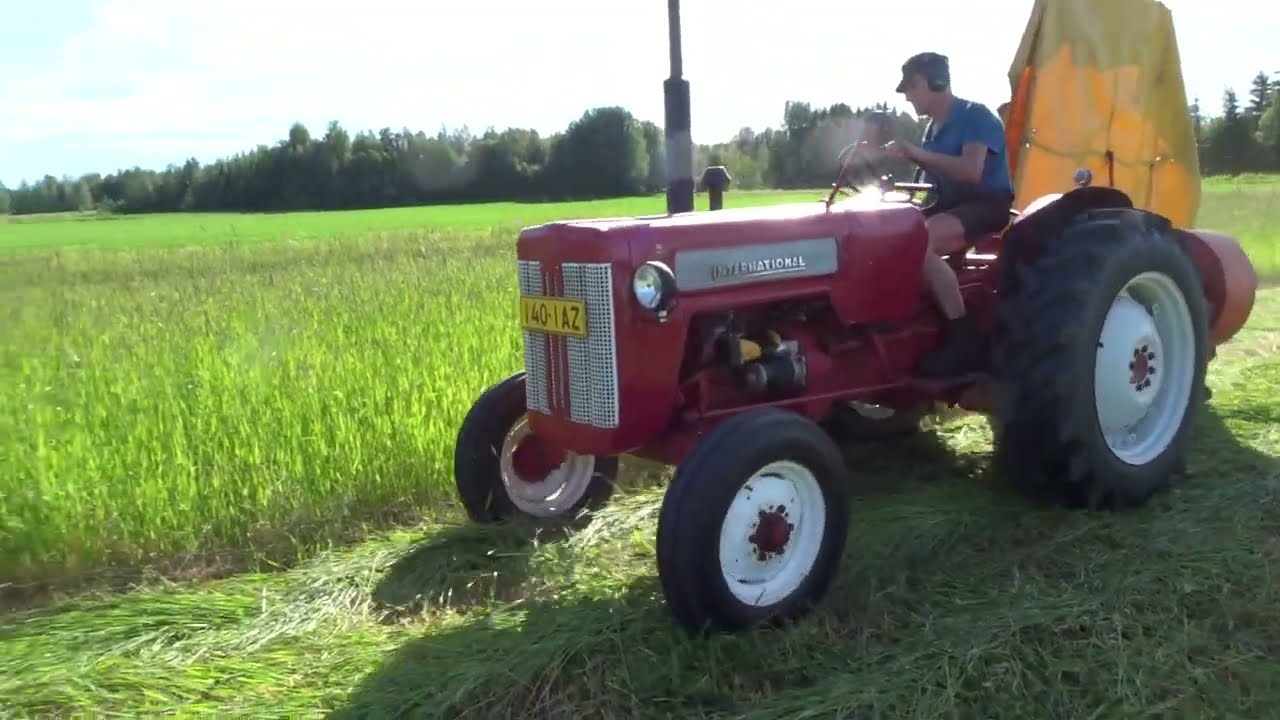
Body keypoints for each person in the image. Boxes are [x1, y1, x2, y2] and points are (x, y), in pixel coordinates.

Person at [882, 52, 1015, 378]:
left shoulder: (976, 116)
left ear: (938, 82)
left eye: (913, 86)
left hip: (985, 203)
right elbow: (934, 177)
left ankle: (965, 341)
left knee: (918, 243)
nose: (908, 95)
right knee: (887, 235)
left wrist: (918, 153)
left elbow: (971, 171)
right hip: (949, 203)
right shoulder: (933, 130)